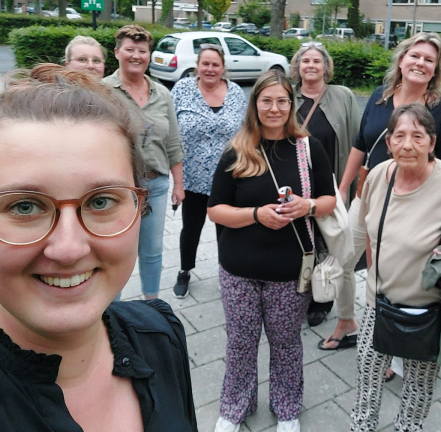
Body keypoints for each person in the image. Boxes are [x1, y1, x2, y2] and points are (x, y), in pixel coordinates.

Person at [0, 64, 197, 431]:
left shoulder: (161, 333)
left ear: (140, 209)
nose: (68, 249)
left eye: (100, 202)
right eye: (24, 206)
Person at [350, 103, 441, 432]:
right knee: (366, 378)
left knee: (417, 388)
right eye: (399, 136)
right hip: (378, 302)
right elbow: (370, 234)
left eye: (418, 136)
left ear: (432, 142)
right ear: (388, 142)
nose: (407, 145)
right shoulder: (378, 175)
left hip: (426, 310)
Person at [207, 70, 337, 432]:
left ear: (291, 105)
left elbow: (329, 199)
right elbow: (215, 209)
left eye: (282, 101)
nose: (275, 108)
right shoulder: (237, 150)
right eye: (267, 101)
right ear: (255, 105)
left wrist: (307, 206)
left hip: (290, 272)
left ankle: (287, 408)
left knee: (286, 345)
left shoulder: (308, 148)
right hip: (239, 270)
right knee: (241, 344)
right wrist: (255, 214)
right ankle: (234, 407)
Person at [320, 32, 441, 353]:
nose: (420, 63)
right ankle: (346, 321)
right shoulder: (380, 97)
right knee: (341, 262)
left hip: (407, 207)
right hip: (366, 196)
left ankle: (386, 344)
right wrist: (343, 188)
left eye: (429, 60)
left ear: (436, 70)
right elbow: (361, 144)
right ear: (401, 59)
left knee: (386, 277)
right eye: (415, 56)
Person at [103, 25, 185, 300]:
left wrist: (179, 184)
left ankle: (152, 303)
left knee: (152, 250)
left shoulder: (162, 93)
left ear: (149, 55)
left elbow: (173, 142)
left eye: (142, 51)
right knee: (116, 250)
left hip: (157, 185)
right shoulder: (103, 91)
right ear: (117, 53)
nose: (136, 56)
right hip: (117, 189)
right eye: (130, 50)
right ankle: (112, 307)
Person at [289, 41, 361, 327]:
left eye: (316, 61)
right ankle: (302, 291)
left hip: (331, 183)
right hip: (296, 183)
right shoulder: (288, 95)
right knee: (302, 241)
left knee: (329, 242)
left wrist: (348, 188)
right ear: (298, 67)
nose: (310, 65)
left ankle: (324, 299)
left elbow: (358, 142)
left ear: (326, 67)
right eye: (305, 61)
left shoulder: (342, 95)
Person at [170, 43, 247, 299]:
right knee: (191, 227)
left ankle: (228, 272)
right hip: (192, 177)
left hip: (230, 177)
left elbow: (247, 132)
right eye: (206, 64)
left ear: (223, 67)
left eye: (215, 64)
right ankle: (185, 270)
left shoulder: (235, 92)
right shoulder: (182, 89)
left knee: (227, 229)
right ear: (197, 66)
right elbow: (170, 131)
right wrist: (176, 181)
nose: (210, 69)